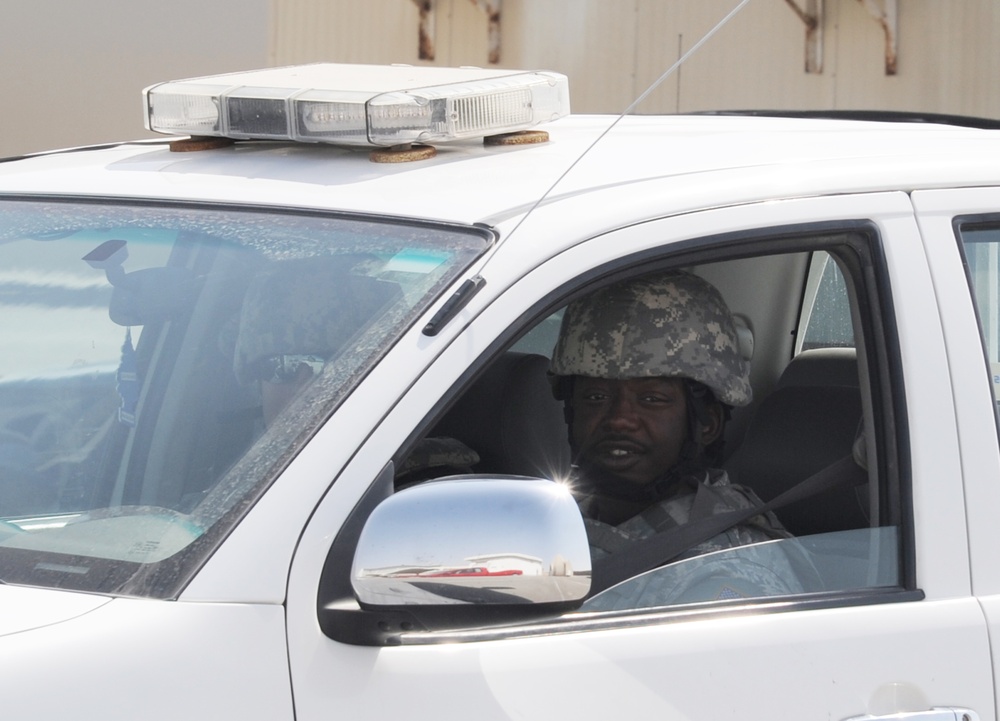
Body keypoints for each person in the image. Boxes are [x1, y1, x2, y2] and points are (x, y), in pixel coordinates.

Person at [549, 270, 814, 607]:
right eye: (595, 398)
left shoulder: (726, 572)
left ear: (706, 424)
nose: (619, 418)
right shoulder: (564, 521)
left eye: (652, 399)